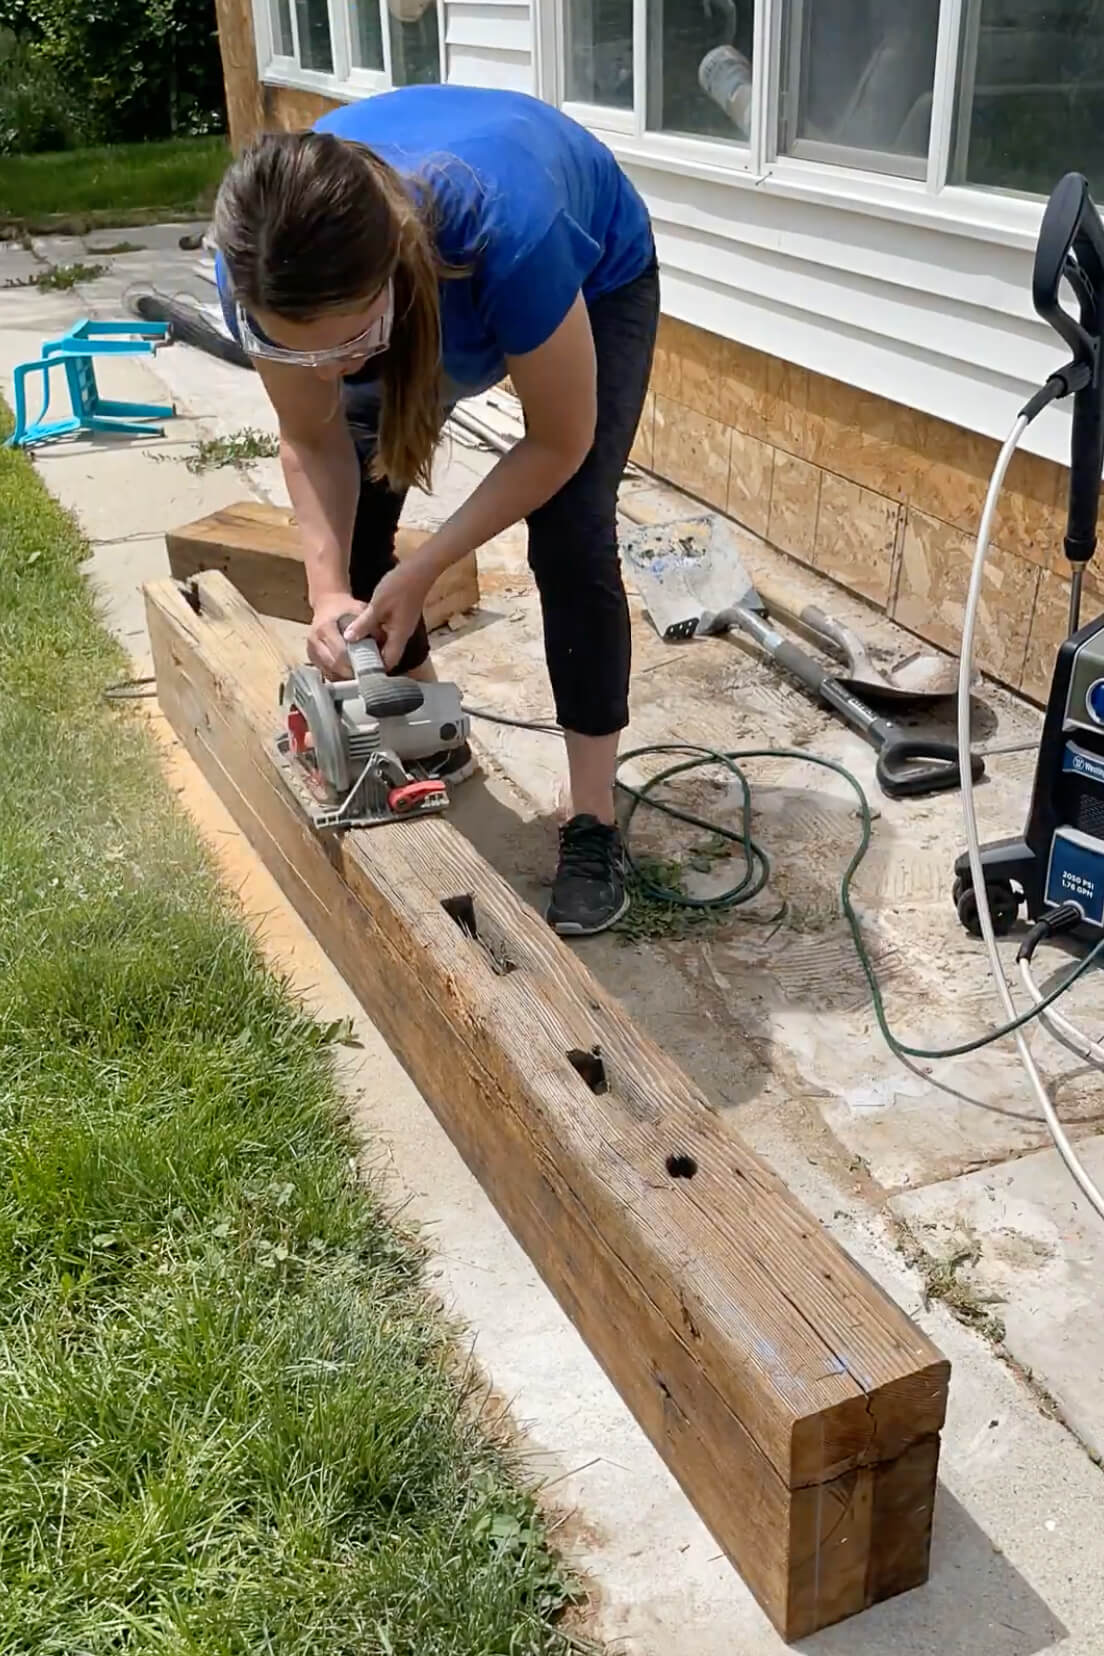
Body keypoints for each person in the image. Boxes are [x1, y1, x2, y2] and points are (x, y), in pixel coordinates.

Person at [212, 85, 659, 937]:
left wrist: (425, 568)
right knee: (357, 521)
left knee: (571, 530)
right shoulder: (265, 265)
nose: (328, 372)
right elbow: (311, 441)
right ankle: (424, 725)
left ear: (389, 281)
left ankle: (594, 822)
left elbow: (558, 442)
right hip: (404, 280)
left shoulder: (511, 233)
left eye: (346, 347)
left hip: (593, 269)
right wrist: (327, 591)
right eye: (290, 349)